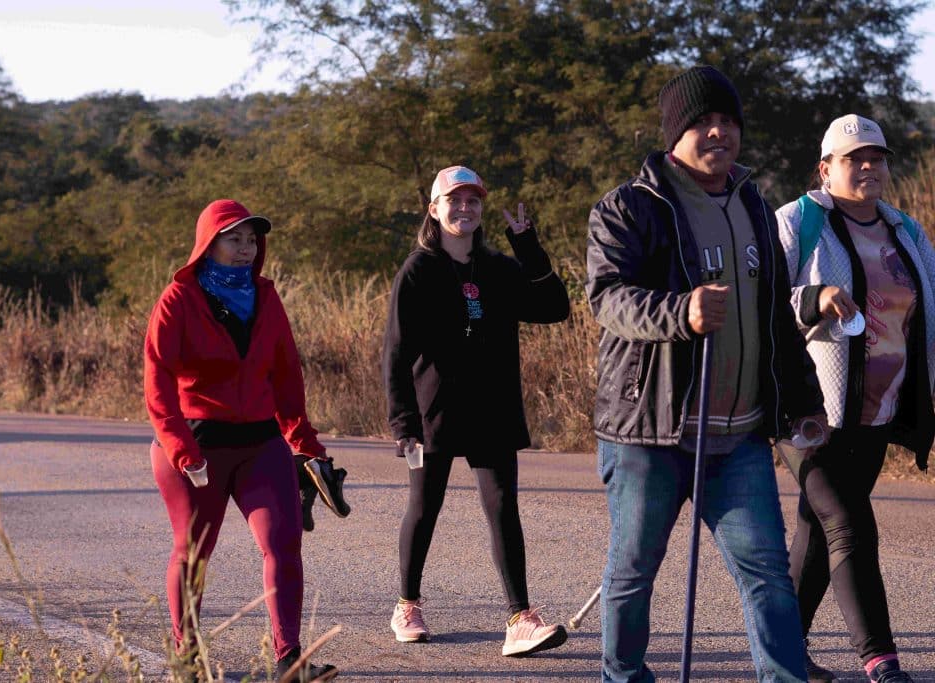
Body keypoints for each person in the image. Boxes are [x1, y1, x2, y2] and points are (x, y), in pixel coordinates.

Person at [586, 65, 827, 682]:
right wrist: (680, 312)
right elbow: (607, 298)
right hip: (650, 432)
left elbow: (775, 314)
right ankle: (624, 678)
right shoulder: (629, 207)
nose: (718, 132)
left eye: (727, 121)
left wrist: (803, 399)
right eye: (702, 122)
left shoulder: (753, 204)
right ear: (675, 134)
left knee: (767, 573)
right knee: (633, 572)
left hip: (738, 436)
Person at [144, 199, 347, 681]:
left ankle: (289, 659)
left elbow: (286, 373)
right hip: (196, 447)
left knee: (283, 542)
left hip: (260, 442)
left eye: (251, 240)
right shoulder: (178, 298)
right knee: (193, 552)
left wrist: (305, 442)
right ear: (207, 244)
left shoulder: (266, 296)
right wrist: (181, 450)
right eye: (233, 238)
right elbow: (158, 380)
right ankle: (187, 659)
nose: (245, 248)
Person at [382, 165, 571, 656]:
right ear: (434, 209)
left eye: (473, 201)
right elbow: (396, 352)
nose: (465, 208)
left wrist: (527, 245)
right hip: (434, 411)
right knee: (425, 507)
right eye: (454, 200)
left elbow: (555, 307)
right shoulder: (418, 270)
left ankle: (520, 619)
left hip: (492, 409)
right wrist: (403, 421)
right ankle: (407, 605)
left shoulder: (499, 268)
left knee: (503, 508)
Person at [774, 114, 935, 683]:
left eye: (876, 157)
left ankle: (782, 652)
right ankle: (880, 658)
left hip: (877, 410)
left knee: (819, 529)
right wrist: (813, 297)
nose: (868, 166)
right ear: (825, 169)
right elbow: (758, 301)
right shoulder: (798, 222)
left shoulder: (906, 231)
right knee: (847, 522)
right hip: (807, 411)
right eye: (853, 159)